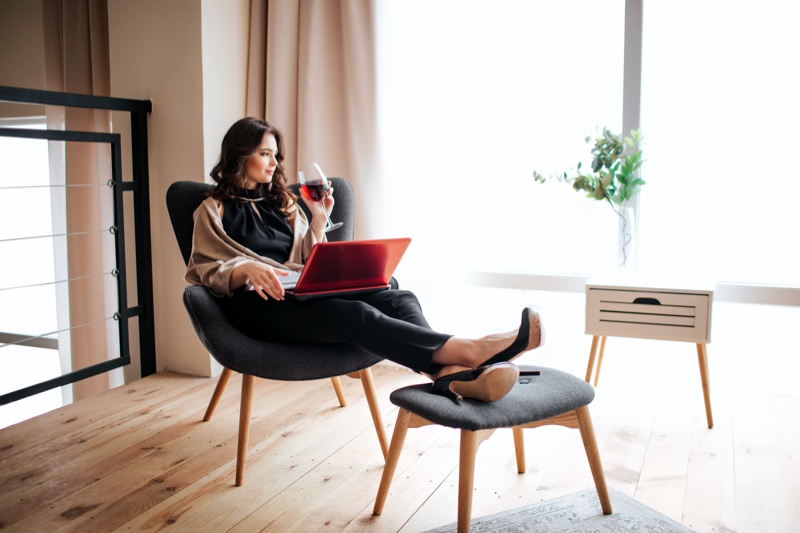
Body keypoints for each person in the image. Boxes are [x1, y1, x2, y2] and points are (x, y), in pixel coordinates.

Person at [185, 117, 544, 403]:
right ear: (239, 155)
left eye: (275, 155)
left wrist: (318, 219)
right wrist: (244, 268)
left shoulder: (285, 205)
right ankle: (472, 350)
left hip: (299, 294)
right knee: (354, 315)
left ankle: (447, 376)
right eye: (265, 153)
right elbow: (202, 269)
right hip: (257, 306)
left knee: (399, 297)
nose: (273, 162)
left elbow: (306, 261)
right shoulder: (212, 210)